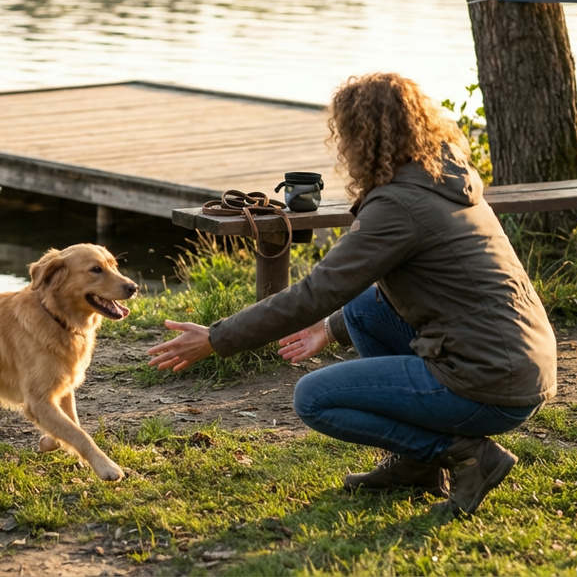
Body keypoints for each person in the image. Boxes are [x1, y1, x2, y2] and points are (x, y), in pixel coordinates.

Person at [147, 72, 556, 517]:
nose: (340, 144)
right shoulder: (442, 178)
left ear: (363, 137)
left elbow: (315, 291)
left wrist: (216, 338)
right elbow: (354, 295)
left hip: (488, 382)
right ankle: (418, 467)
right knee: (360, 310)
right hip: (518, 363)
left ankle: (463, 454)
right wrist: (331, 327)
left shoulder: (399, 205)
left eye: (343, 133)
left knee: (315, 398)